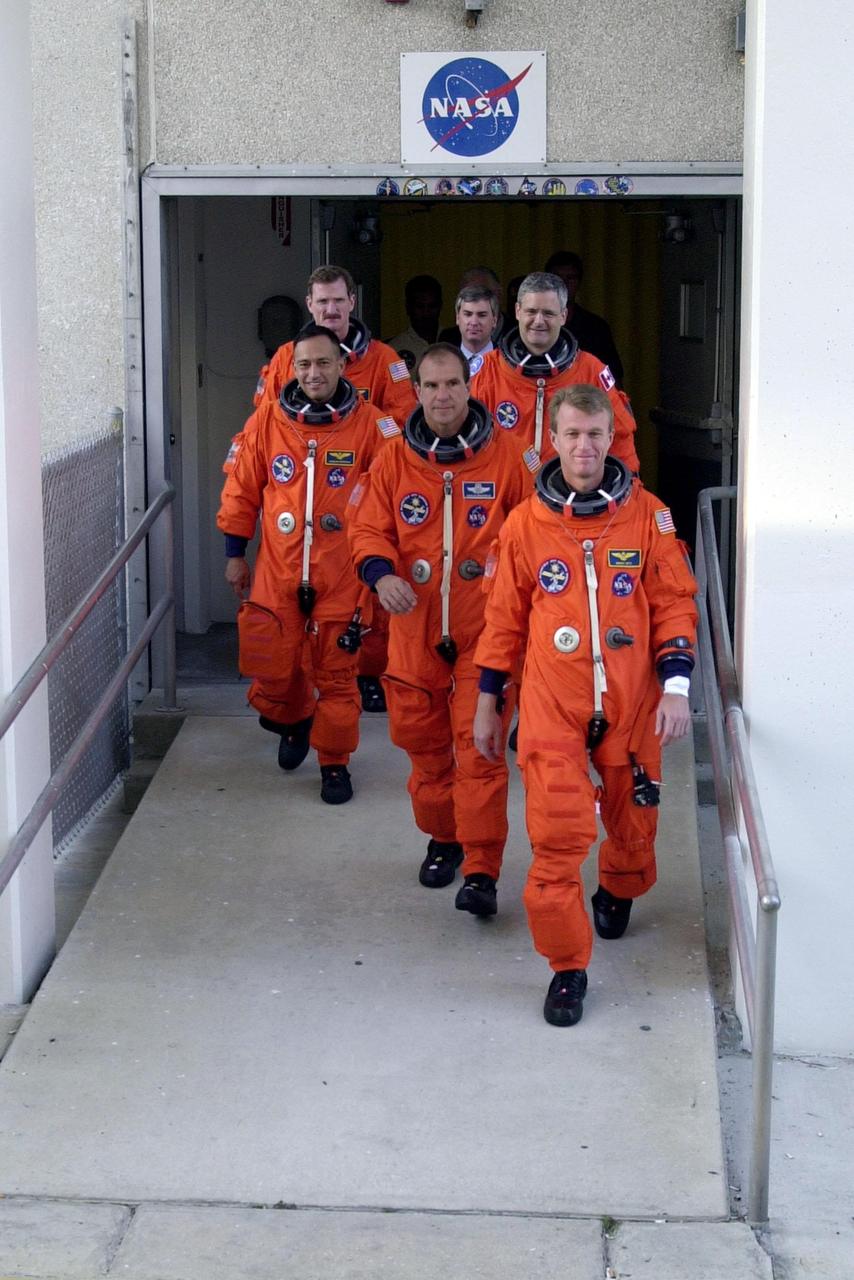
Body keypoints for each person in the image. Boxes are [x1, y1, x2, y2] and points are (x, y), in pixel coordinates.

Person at [473, 384, 697, 1026]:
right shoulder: (525, 525)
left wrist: (676, 688)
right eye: (571, 434)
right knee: (558, 838)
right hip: (552, 704)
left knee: (631, 829)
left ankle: (620, 887)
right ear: (554, 439)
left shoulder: (648, 516)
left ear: (611, 439)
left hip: (632, 704)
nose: (584, 446)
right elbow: (503, 620)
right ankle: (567, 969)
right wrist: (490, 703)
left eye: (595, 434)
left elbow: (675, 603)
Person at [348, 344, 536, 913]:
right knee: (424, 750)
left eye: (453, 383)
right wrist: (380, 577)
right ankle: (444, 839)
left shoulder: (510, 457)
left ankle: (481, 870)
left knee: (478, 751)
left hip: (487, 633)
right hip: (414, 629)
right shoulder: (393, 460)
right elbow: (367, 530)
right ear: (419, 391)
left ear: (469, 386)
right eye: (431, 386)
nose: (443, 396)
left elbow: (536, 533)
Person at [217, 323, 401, 805]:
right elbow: (241, 488)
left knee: (338, 675)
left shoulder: (375, 426)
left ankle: (334, 764)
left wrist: (382, 570)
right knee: (274, 665)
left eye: (323, 363)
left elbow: (393, 500)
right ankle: (294, 719)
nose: (314, 373)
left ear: (343, 366)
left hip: (342, 572)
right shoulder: (269, 421)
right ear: (292, 369)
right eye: (304, 364)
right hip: (279, 568)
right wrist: (235, 553)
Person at [471, 271, 639, 473]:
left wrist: (628, 491)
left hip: (570, 495)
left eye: (548, 313)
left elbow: (621, 440)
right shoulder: (487, 372)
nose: (539, 321)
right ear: (517, 311)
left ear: (563, 316)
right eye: (531, 311)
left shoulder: (590, 371)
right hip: (507, 494)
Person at [544, 251, 624, 385]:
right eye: (557, 278)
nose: (563, 284)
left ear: (579, 283)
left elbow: (612, 377)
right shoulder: (532, 324)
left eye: (570, 278)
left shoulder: (596, 328)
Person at [438, 266, 510, 347]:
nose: (474, 302)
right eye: (467, 296)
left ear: (499, 295)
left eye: (482, 294)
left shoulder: (519, 335)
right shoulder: (449, 339)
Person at [387, 275, 443, 372]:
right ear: (408, 308)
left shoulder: (453, 341)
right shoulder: (396, 349)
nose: (426, 313)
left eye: (432, 306)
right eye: (420, 306)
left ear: (440, 306)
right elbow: (398, 386)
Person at [453, 285, 500, 376]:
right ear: (457, 318)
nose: (474, 322)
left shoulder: (507, 363)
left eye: (482, 315)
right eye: (468, 314)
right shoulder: (446, 361)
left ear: (494, 320)